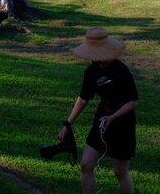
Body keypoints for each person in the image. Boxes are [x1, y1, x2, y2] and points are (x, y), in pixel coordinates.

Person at [59, 27, 138, 194]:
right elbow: (83, 99)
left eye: (101, 57)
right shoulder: (91, 71)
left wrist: (113, 117)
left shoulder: (121, 71)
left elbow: (132, 102)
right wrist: (68, 123)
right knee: (86, 165)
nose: (98, 61)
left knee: (120, 172)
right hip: (102, 120)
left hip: (122, 124)